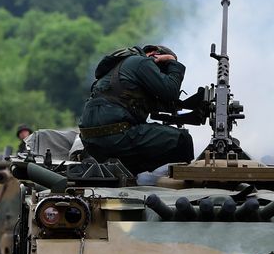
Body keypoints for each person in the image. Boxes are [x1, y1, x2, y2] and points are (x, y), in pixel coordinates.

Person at [78, 44, 194, 174]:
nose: (159, 74)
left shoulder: (122, 69)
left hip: (90, 142)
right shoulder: (141, 62)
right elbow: (170, 91)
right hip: (115, 135)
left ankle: (124, 173)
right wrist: (173, 62)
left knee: (150, 137)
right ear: (154, 54)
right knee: (182, 140)